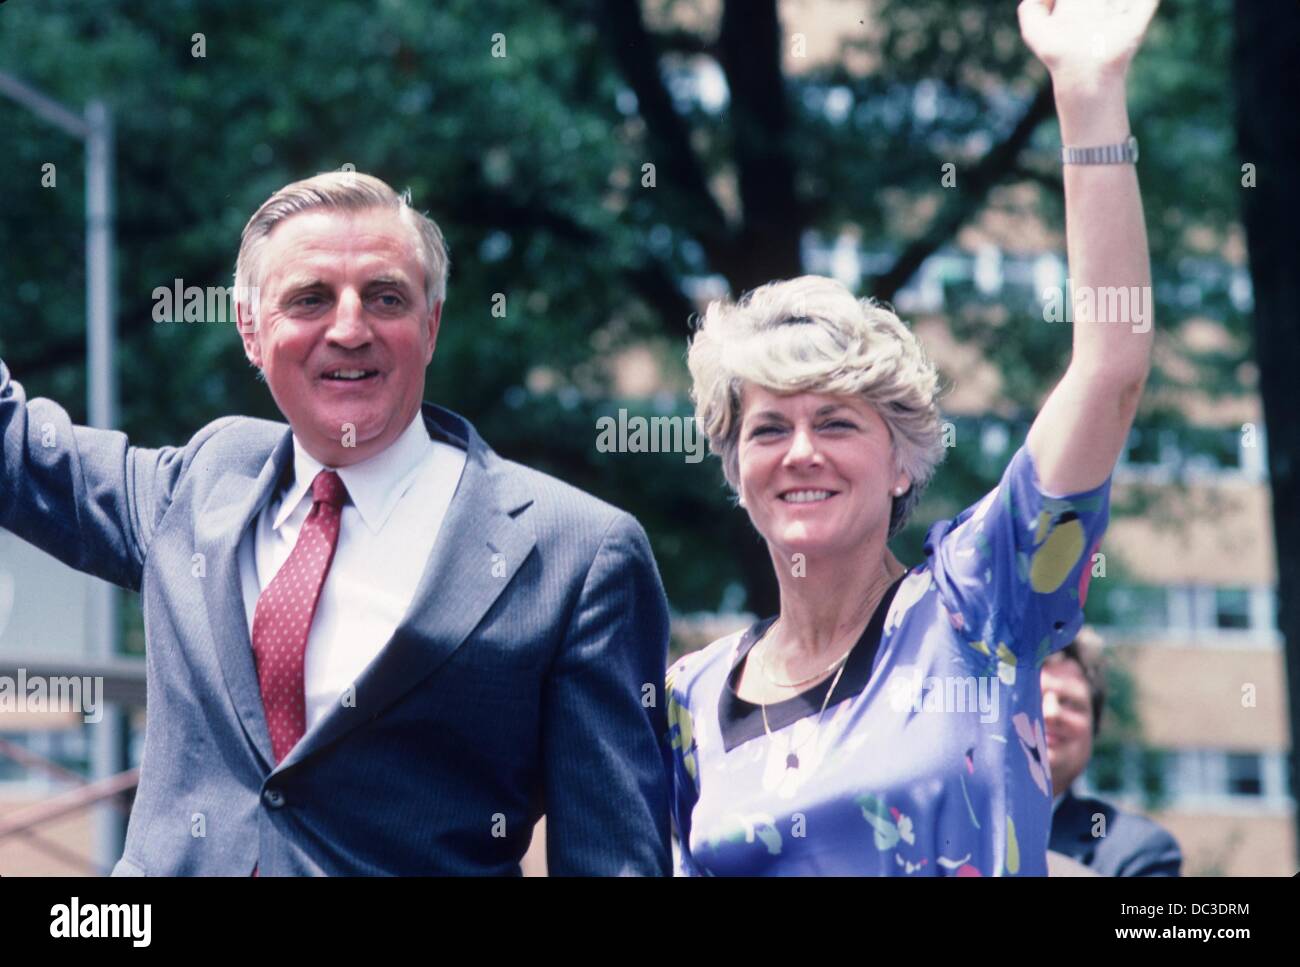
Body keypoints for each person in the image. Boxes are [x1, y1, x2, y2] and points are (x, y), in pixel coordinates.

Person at [0, 171, 671, 876]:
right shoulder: (205, 479)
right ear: (251, 331)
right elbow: (16, 448)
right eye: (310, 299)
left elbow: (614, 862)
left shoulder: (578, 551)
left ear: (432, 324)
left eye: (385, 297)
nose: (350, 329)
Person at [666, 0, 1159, 875]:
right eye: (769, 427)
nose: (801, 450)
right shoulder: (687, 697)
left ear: (902, 463)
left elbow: (1111, 366)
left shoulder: (979, 603)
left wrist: (1087, 90)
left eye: (838, 422)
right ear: (736, 469)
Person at [1044, 629, 1183, 876]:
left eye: (1071, 703)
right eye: (1035, 698)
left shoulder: (1138, 850)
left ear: (1094, 730)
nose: (1051, 712)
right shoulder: (955, 825)